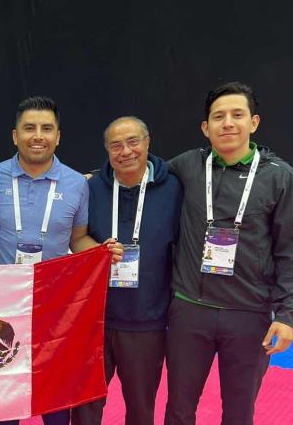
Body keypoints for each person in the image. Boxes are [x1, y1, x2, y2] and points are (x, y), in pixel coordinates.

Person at [164, 82, 293, 425]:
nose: (227, 123)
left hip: (249, 315)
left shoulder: (279, 176)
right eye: (218, 117)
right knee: (179, 409)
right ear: (206, 127)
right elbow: (137, 177)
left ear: (253, 123)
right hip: (189, 311)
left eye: (237, 115)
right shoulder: (187, 165)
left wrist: (288, 315)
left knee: (239, 412)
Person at [0, 96, 123, 425]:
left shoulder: (77, 183)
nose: (38, 135)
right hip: (2, 305)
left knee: (56, 399)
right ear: (14, 135)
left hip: (55, 306)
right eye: (29, 128)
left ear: (58, 136)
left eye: (46, 128)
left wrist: (102, 251)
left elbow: (77, 239)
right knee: (5, 398)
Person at [71, 116, 182, 425]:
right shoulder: (90, 187)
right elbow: (75, 238)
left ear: (147, 142)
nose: (126, 151)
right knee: (84, 411)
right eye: (115, 145)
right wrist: (98, 251)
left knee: (141, 410)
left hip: (147, 321)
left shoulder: (174, 187)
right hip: (94, 320)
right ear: (106, 150)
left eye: (133, 142)